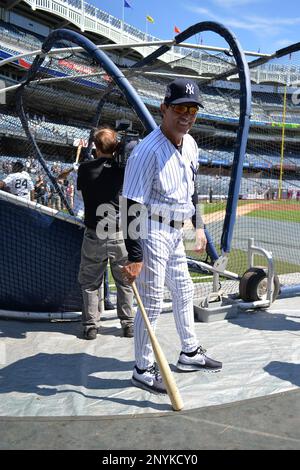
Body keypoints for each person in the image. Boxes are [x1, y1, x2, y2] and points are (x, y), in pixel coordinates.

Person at [122, 78, 222, 394]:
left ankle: (189, 352)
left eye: (192, 109)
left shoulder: (190, 143)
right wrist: (135, 257)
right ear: (164, 108)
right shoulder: (146, 151)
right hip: (151, 230)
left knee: (184, 290)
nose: (187, 115)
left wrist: (200, 226)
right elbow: (129, 205)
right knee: (151, 303)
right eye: (180, 107)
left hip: (177, 231)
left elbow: (192, 192)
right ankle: (142, 368)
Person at [77, 126, 134, 340]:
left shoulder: (85, 169)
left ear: (96, 147)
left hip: (94, 234)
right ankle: (128, 324)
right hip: (119, 234)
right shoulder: (123, 170)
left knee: (91, 283)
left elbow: (83, 188)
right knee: (125, 282)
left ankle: (91, 325)